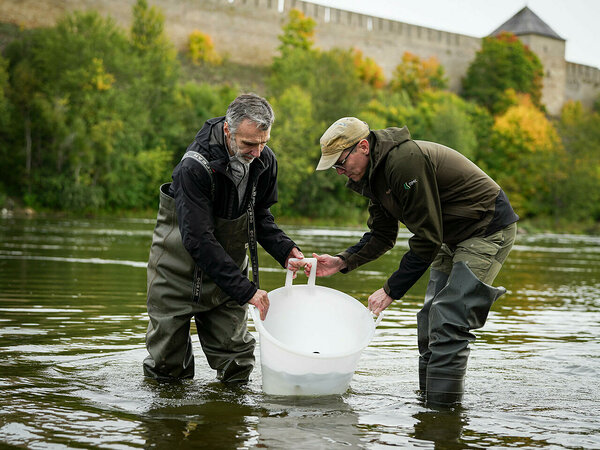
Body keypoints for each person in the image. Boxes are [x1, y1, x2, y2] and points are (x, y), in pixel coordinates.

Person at [306, 117, 518, 406]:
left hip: (486, 226)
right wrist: (342, 261)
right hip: (449, 234)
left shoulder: (403, 162)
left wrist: (391, 289)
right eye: (334, 167)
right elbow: (382, 235)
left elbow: (427, 239)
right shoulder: (373, 176)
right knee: (430, 319)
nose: (339, 171)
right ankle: (426, 406)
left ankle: (441, 414)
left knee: (450, 321)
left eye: (340, 163)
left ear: (364, 147)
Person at [143, 94, 303, 383]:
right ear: (228, 131)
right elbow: (198, 240)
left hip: (226, 280)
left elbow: (260, 218)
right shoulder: (193, 167)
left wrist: (286, 250)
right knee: (167, 372)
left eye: (264, 142)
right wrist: (247, 290)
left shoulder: (265, 160)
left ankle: (229, 423)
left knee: (238, 365)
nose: (258, 152)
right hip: (174, 277)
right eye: (249, 144)